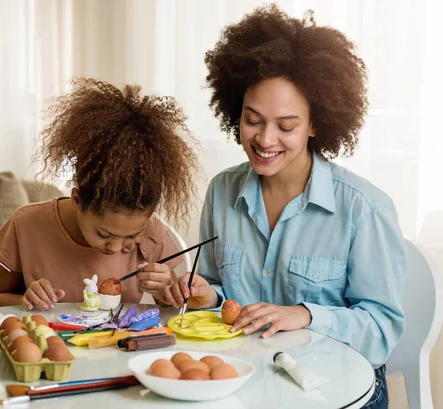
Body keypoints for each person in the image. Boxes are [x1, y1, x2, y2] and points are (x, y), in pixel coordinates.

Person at [158, 5, 404, 408]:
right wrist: (207, 297)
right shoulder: (222, 191)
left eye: (286, 126)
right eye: (252, 120)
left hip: (339, 387)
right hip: (248, 379)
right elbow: (218, 294)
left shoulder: (365, 209)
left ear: (316, 125)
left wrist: (306, 314)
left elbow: (381, 331)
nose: (265, 139)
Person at [0, 78, 199, 311]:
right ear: (77, 200)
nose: (116, 248)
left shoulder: (152, 232)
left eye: (131, 238)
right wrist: (26, 299)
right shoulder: (26, 225)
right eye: (104, 233)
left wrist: (166, 289)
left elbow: (173, 312)